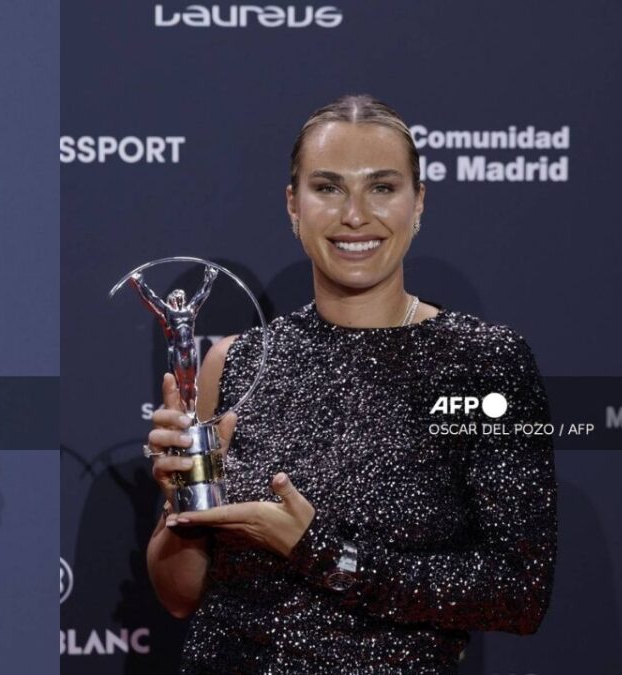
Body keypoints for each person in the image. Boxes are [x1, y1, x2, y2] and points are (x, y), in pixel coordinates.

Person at [144, 95, 557, 673]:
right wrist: (181, 495)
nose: (355, 215)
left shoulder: (483, 363)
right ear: (293, 205)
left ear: (419, 203)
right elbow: (180, 594)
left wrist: (320, 549)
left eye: (383, 187)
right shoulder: (233, 362)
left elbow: (518, 592)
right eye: (328, 188)